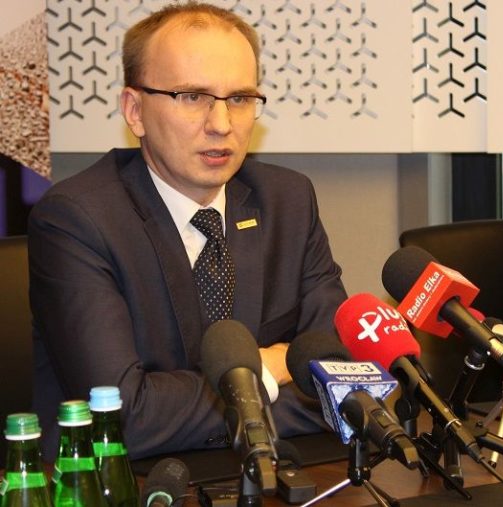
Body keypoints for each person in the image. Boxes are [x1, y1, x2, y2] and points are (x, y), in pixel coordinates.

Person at [28, 1, 346, 460]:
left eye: (239, 99)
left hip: (273, 470)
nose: (221, 125)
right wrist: (269, 368)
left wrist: (182, 405)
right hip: (124, 483)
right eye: (193, 97)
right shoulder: (78, 219)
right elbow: (125, 419)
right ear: (134, 111)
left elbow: (341, 384)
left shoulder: (288, 201)